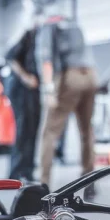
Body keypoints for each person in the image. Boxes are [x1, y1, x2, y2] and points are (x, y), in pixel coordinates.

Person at [37, 16, 97, 189]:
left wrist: (49, 89)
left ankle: (43, 182)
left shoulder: (48, 26)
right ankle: (89, 179)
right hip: (91, 75)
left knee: (50, 132)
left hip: (70, 77)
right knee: (87, 131)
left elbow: (46, 58)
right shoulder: (75, 25)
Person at [6, 27, 40, 181]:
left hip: (34, 91)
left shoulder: (45, 38)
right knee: (23, 131)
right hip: (21, 89)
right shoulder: (29, 35)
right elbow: (11, 58)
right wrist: (25, 77)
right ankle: (16, 172)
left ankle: (27, 171)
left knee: (32, 130)